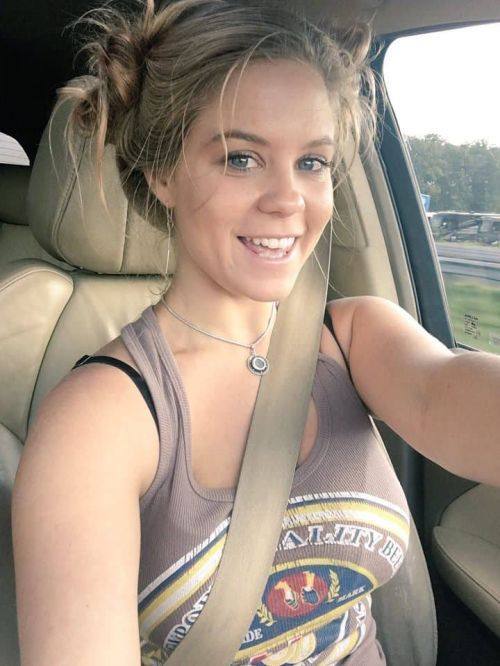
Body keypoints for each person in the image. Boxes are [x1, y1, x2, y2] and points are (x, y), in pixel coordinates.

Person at [11, 1, 500, 665]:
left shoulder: (357, 336)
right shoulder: (99, 419)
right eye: (241, 158)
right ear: (163, 174)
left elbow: (448, 395)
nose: (288, 199)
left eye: (313, 162)